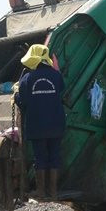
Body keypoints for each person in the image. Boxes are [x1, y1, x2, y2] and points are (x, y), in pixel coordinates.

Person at [14, 43, 66, 198]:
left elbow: (22, 101)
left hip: (37, 125)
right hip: (56, 124)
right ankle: (54, 192)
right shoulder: (57, 76)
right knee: (54, 156)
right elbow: (62, 92)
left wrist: (16, 94)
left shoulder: (27, 78)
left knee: (40, 157)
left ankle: (42, 192)